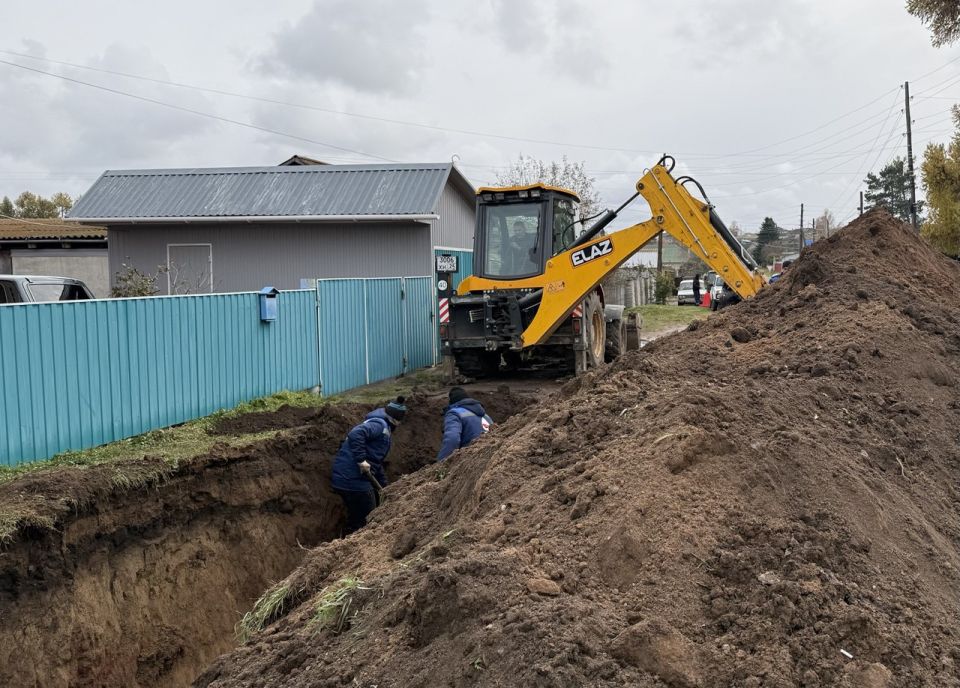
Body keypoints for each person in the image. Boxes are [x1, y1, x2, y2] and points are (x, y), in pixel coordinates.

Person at [331, 396, 407, 533]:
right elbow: (356, 434)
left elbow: (375, 464)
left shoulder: (382, 427)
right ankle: (351, 539)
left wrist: (386, 488)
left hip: (354, 478)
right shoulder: (379, 425)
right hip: (350, 480)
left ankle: (353, 532)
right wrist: (361, 460)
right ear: (396, 420)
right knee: (368, 516)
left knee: (368, 510)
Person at [436, 387, 493, 462]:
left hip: (471, 460)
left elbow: (452, 439)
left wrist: (441, 462)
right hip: (492, 457)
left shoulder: (454, 413)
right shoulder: (485, 415)